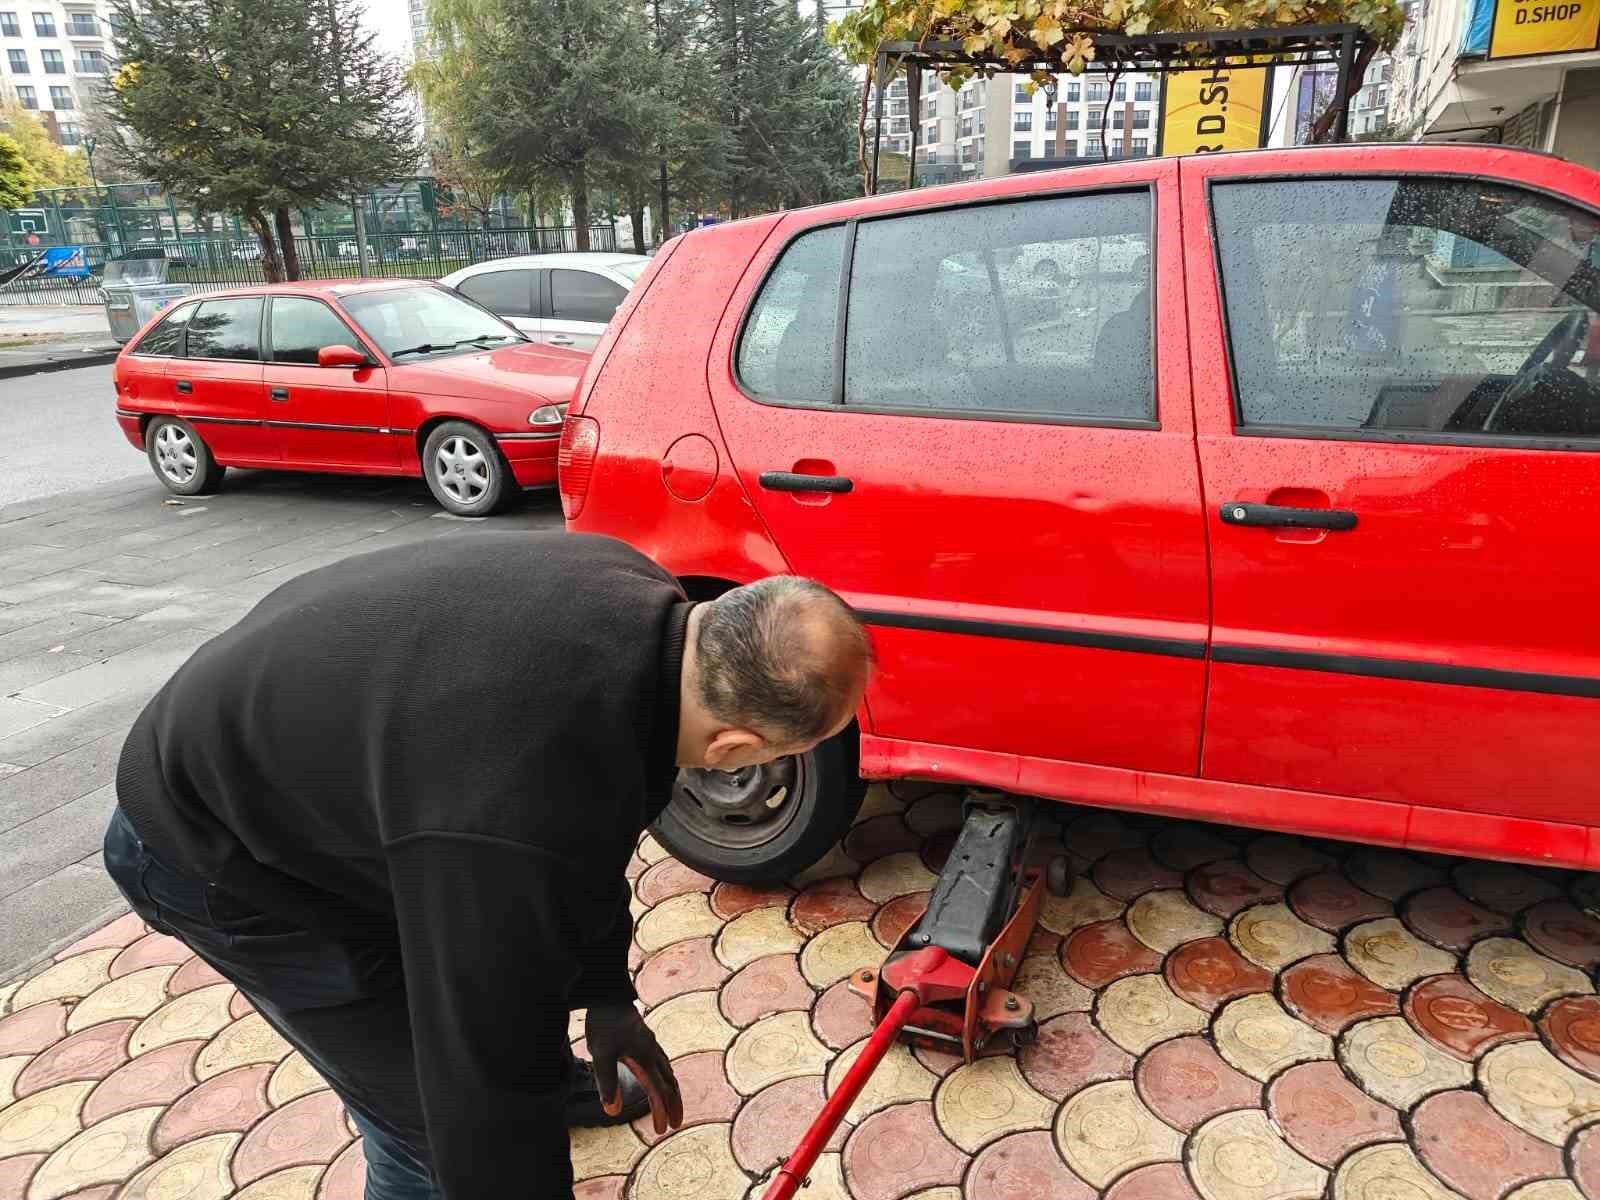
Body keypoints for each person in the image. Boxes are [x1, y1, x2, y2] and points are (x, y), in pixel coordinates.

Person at [104, 532, 874, 1199]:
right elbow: (479, 1081)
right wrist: (503, 1121)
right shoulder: (508, 826)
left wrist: (606, 994)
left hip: (350, 779)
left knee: (497, 987)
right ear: (734, 751)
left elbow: (599, 829)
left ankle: (549, 1076)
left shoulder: (642, 600)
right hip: (208, 850)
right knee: (434, 1138)